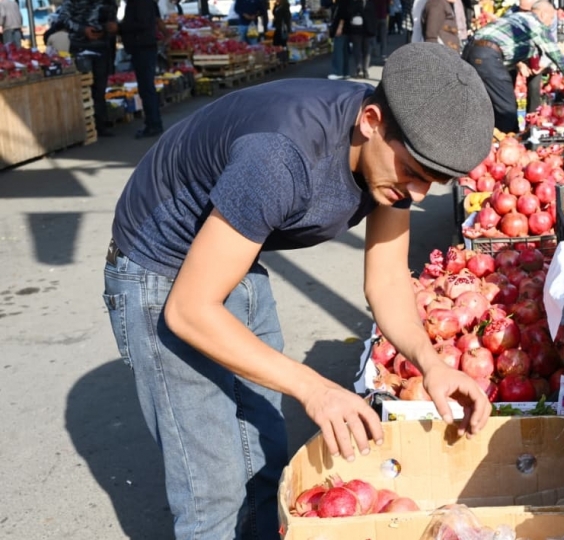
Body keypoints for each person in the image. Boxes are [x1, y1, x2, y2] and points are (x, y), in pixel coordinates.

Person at [102, 42, 493, 540]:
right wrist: (315, 388)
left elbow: (388, 278)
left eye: (432, 182)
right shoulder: (280, 157)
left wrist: (431, 363)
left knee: (264, 455)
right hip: (159, 268)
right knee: (213, 488)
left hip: (236, 249)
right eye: (413, 174)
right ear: (370, 120)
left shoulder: (394, 144)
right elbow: (189, 310)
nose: (416, 195)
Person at [463, 0, 564, 133]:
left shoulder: (516, 18)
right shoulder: (536, 24)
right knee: (506, 109)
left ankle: (478, 138)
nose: (551, 22)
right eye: (551, 18)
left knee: (479, 102)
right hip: (487, 57)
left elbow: (504, 44)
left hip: (470, 51)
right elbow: (560, 59)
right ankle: (510, 142)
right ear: (542, 13)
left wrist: (520, 63)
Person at [57, 0, 118, 137]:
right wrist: (83, 30)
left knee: (100, 88)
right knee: (83, 87)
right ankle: (83, 126)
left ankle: (100, 125)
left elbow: (112, 19)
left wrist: (106, 30)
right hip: (80, 47)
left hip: (102, 48)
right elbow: (63, 18)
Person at [119, 0, 167, 139]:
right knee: (146, 87)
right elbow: (155, 20)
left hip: (143, 47)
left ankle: (153, 124)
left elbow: (143, 24)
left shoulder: (140, 3)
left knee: (146, 87)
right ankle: (152, 122)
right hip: (143, 47)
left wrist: (120, 27)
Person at [335, 0, 376, 78]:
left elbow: (374, 16)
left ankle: (365, 69)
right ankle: (358, 67)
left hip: (368, 30)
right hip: (356, 29)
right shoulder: (354, 2)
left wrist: (374, 29)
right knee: (357, 49)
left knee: (366, 50)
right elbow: (349, 12)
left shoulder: (371, 3)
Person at [328, 0, 351, 79]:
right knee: (344, 51)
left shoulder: (342, 2)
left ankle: (337, 72)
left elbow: (342, 14)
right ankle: (345, 72)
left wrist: (340, 27)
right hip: (347, 29)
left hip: (341, 29)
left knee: (338, 50)